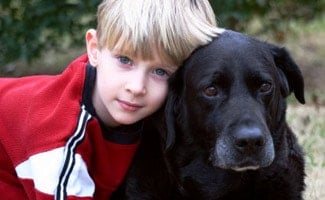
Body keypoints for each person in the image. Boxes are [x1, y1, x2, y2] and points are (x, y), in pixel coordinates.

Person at [0, 0, 220, 199]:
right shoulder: (60, 133)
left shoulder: (146, 108)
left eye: (161, 72)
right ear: (95, 50)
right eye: (125, 60)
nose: (136, 87)